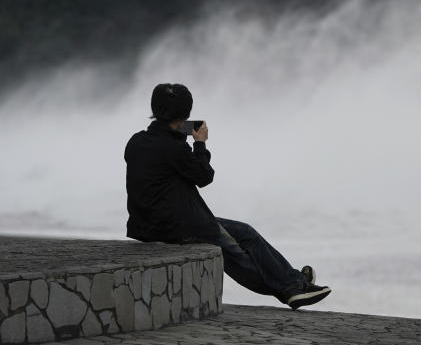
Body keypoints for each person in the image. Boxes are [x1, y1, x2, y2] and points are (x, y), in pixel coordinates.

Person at [124, 83, 332, 309]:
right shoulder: (173, 148)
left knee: (246, 232)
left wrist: (178, 136)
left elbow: (166, 169)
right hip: (179, 227)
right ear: (185, 113)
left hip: (147, 224)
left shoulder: (137, 141)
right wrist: (200, 143)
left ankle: (294, 281)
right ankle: (290, 289)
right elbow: (204, 176)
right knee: (236, 254)